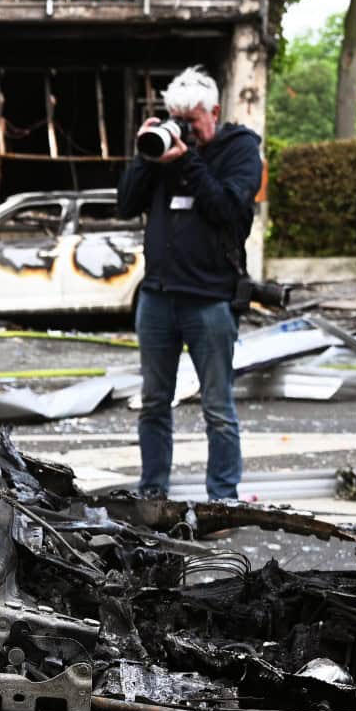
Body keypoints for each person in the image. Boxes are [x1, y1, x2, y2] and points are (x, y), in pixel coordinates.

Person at [116, 66, 263, 501]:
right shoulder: (163, 151)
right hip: (158, 298)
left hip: (210, 301)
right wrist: (146, 157)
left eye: (192, 120)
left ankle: (223, 498)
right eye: (176, 118)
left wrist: (189, 160)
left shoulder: (241, 150)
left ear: (214, 111)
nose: (184, 129)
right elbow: (126, 204)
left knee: (217, 407)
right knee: (154, 404)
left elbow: (231, 211)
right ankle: (153, 492)